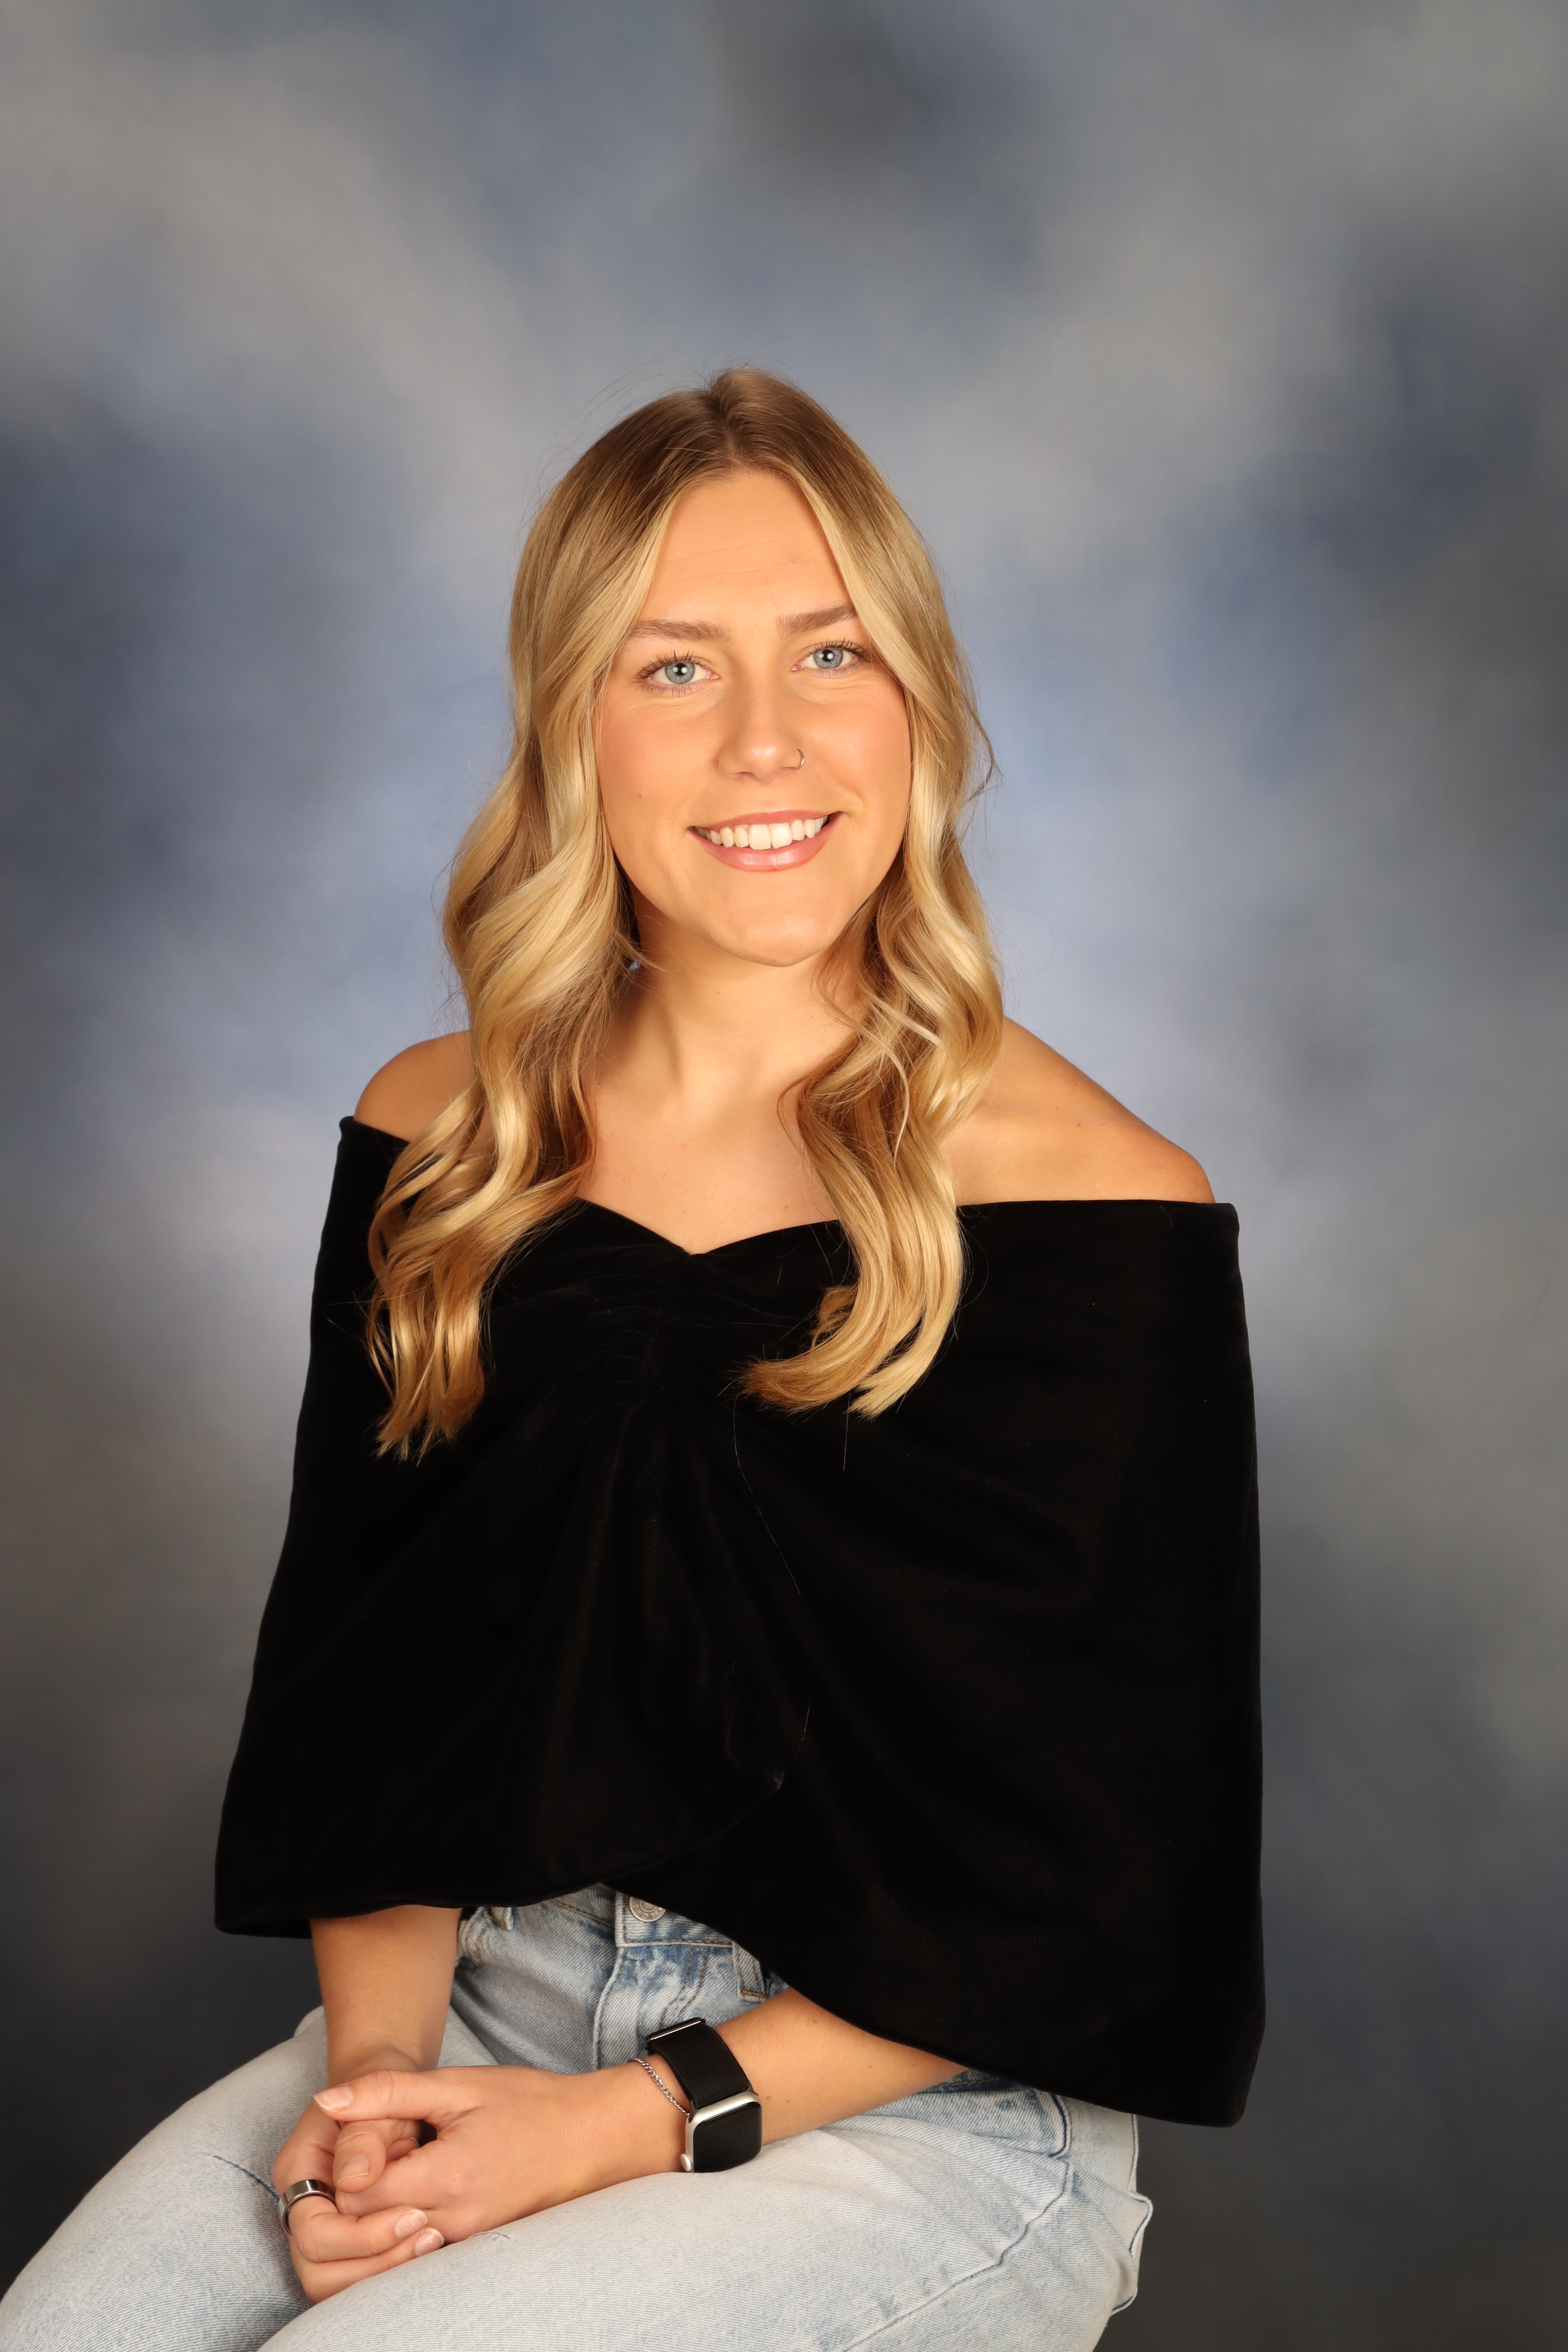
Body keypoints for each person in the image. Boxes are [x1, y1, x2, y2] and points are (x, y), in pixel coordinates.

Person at [0, 368, 1262, 2352]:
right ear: (571, 727)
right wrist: (377, 2103)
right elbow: (374, 1717)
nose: (766, 737)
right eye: (675, 667)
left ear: (917, 705)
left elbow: (1094, 1899)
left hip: (921, 2109)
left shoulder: (1103, 1208)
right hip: (485, 2013)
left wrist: (614, 2128)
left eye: (831, 652)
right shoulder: (441, 1141)